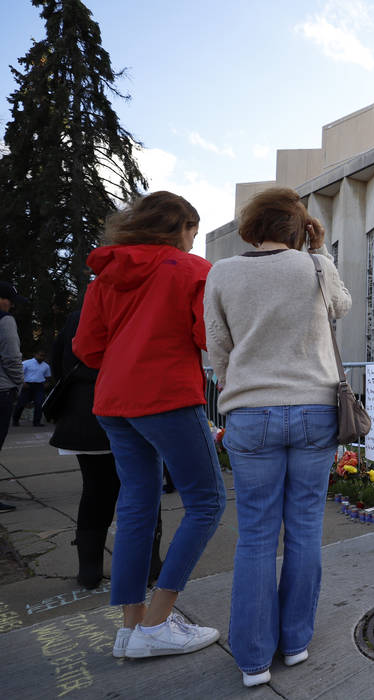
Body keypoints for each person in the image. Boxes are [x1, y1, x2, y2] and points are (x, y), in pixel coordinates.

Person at [204, 187, 350, 687]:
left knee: (257, 536)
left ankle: (252, 659)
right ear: (300, 228)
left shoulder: (221, 272)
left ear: (252, 224)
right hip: (314, 408)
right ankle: (296, 642)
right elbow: (342, 306)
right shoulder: (313, 267)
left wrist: (236, 384)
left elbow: (217, 346)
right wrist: (320, 250)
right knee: (306, 528)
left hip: (250, 409)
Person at [74, 191, 226, 660]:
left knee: (137, 504)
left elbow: (87, 348)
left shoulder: (106, 276)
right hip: (165, 396)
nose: (192, 243)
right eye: (192, 233)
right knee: (207, 501)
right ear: (179, 226)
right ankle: (158, 623)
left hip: (113, 401)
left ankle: (132, 626)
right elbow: (209, 336)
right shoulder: (190, 270)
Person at [50, 311, 164, 589]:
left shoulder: (76, 316)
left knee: (95, 490)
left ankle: (89, 570)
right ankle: (148, 565)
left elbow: (57, 362)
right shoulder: (131, 308)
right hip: (127, 409)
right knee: (142, 488)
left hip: (83, 415)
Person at [0, 280, 27, 513]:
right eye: (10, 302)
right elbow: (10, 356)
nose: (11, 307)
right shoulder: (5, 320)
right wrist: (20, 381)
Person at [13, 349, 51, 426]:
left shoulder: (46, 366)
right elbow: (19, 373)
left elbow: (48, 376)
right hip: (27, 385)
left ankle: (37, 422)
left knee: (39, 404)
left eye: (43, 356)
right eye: (40, 355)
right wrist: (22, 383)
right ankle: (15, 421)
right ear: (35, 355)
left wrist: (47, 383)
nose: (42, 357)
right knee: (21, 404)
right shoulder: (26, 363)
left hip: (39, 386)